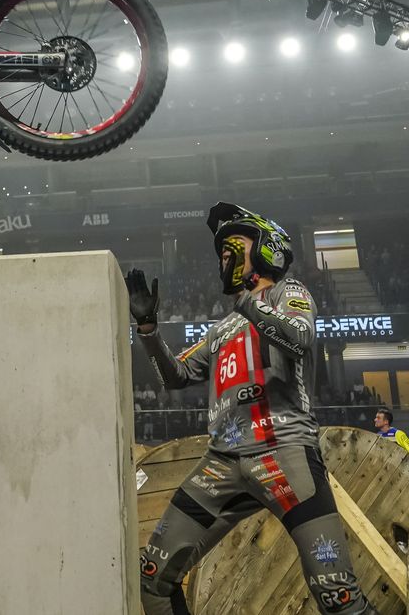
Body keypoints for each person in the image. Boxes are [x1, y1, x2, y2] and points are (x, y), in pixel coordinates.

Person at [127, 203, 378, 615]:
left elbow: (299, 337)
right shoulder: (220, 328)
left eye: (233, 246)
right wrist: (149, 331)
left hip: (284, 449)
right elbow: (176, 377)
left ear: (266, 248)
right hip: (221, 462)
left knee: (337, 594)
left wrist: (246, 299)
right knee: (153, 579)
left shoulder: (289, 292)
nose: (224, 257)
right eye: (221, 252)